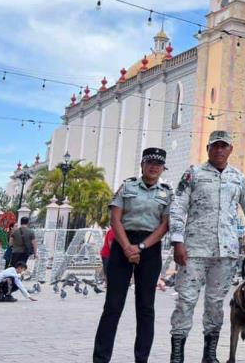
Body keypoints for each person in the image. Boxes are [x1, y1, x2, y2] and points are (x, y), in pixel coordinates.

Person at [168, 130, 245, 363]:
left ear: (230, 149)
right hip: (194, 250)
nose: (219, 150)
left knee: (215, 303)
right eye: (215, 146)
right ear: (208, 148)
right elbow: (178, 207)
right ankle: (177, 353)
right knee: (186, 300)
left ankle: (210, 353)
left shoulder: (238, 178)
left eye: (224, 146)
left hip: (226, 251)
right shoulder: (194, 174)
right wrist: (177, 241)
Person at [92, 147, 173, 363]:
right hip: (123, 244)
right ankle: (100, 358)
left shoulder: (167, 193)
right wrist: (128, 247)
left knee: (146, 307)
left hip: (150, 247)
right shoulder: (127, 186)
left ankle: (141, 359)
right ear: (142, 165)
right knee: (112, 305)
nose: (154, 167)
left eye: (158, 164)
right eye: (150, 163)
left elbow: (165, 225)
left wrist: (141, 248)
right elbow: (115, 219)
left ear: (163, 168)